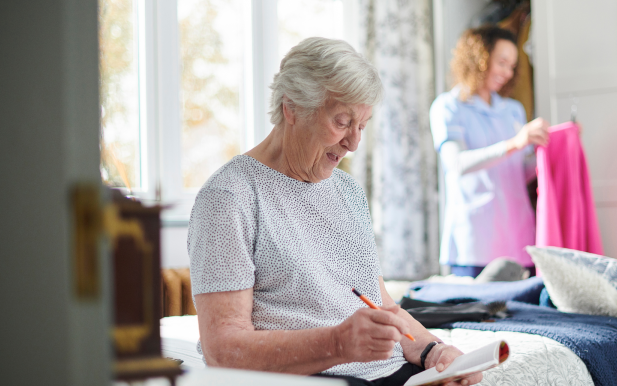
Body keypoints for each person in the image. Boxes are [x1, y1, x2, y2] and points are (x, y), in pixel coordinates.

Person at [188, 37, 482, 386]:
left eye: (362, 126)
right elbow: (223, 351)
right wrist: (338, 343)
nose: (354, 143)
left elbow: (381, 304)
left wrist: (434, 352)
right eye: (342, 122)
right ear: (292, 107)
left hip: (391, 373)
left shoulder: (348, 192)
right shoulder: (229, 196)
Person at [430, 26, 550, 278]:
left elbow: (518, 172)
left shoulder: (513, 110)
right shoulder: (448, 107)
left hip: (518, 236)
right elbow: (457, 164)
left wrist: (553, 150)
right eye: (502, 63)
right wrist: (515, 143)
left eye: (512, 66)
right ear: (478, 59)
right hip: (474, 240)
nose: (507, 72)